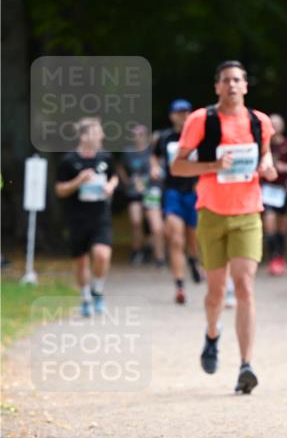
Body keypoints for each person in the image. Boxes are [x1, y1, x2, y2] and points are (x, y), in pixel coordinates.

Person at [171, 60, 276, 393]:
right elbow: (177, 167)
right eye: (226, 80)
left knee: (244, 285)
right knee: (216, 291)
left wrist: (268, 166)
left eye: (238, 80)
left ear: (246, 86)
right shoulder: (201, 120)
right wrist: (214, 165)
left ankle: (246, 365)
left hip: (248, 213)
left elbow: (266, 158)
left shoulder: (260, 123)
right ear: (217, 86)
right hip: (212, 212)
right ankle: (212, 334)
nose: (232, 85)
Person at [55, 117, 118, 316]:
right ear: (84, 136)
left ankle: (97, 290)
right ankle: (85, 298)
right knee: (81, 261)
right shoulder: (69, 161)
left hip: (100, 215)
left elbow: (114, 177)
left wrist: (110, 186)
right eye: (98, 131)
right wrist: (78, 181)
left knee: (102, 255)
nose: (102, 135)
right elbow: (60, 190)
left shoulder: (105, 158)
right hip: (77, 217)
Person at [151, 99, 203, 304]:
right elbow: (154, 156)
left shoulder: (200, 136)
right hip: (172, 192)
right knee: (176, 239)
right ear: (172, 115)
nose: (183, 116)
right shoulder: (164, 137)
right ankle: (180, 285)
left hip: (194, 192)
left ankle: (193, 262)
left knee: (193, 238)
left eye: (186, 112)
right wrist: (154, 167)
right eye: (179, 112)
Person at [117, 124, 165, 267]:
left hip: (151, 190)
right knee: (136, 221)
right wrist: (127, 181)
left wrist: (154, 174)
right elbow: (120, 167)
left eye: (141, 134)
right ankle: (137, 251)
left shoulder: (152, 151)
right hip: (134, 191)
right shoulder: (128, 152)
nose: (138, 137)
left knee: (155, 225)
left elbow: (159, 168)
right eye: (135, 134)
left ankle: (159, 257)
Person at [262, 113, 287, 275]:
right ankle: (273, 257)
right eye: (272, 123)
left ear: (282, 126)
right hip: (267, 189)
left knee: (282, 226)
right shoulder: (263, 145)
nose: (275, 126)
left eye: (278, 123)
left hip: (284, 189)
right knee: (269, 221)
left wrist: (286, 168)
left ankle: (281, 257)